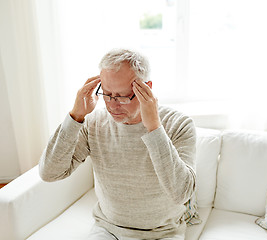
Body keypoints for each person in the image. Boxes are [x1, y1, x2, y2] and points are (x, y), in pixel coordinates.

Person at [39, 49, 197, 240]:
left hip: (163, 233)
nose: (112, 105)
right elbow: (49, 173)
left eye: (122, 96)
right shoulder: (94, 123)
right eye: (106, 94)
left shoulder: (179, 124)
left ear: (147, 88)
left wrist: (154, 128)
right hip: (109, 229)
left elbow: (182, 193)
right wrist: (76, 116)